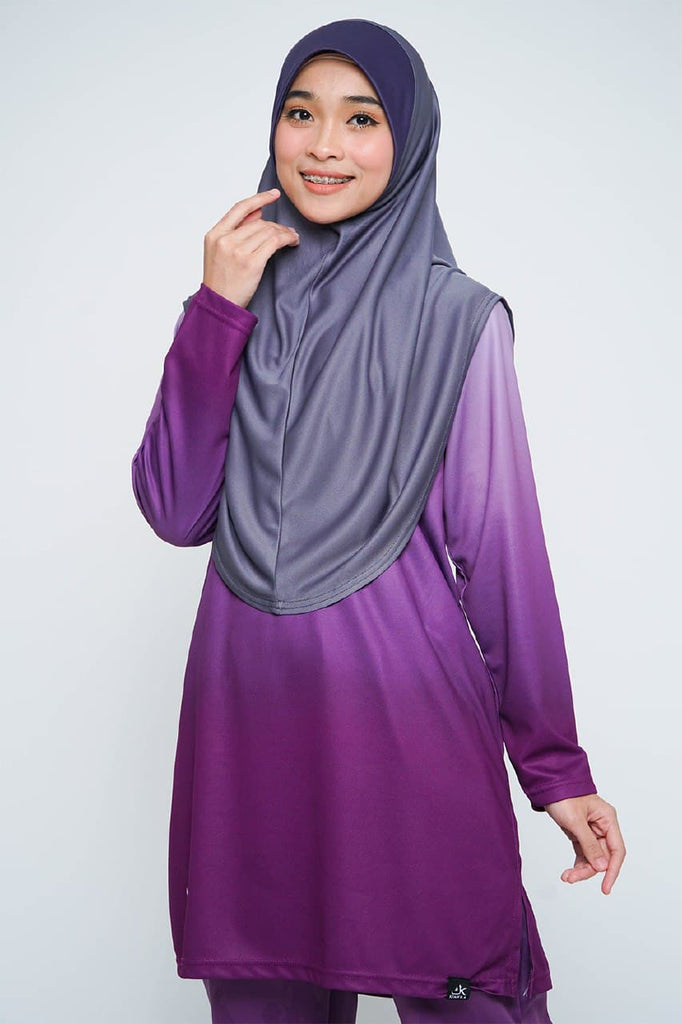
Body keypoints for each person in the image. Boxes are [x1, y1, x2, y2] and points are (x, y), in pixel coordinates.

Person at [131, 18, 626, 1024]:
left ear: (408, 139)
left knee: (466, 989)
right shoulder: (232, 305)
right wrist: (216, 311)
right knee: (267, 997)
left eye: (361, 119)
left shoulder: (457, 319)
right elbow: (177, 510)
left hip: (405, 729)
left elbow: (502, 557)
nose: (323, 145)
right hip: (250, 732)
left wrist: (554, 768)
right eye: (300, 113)